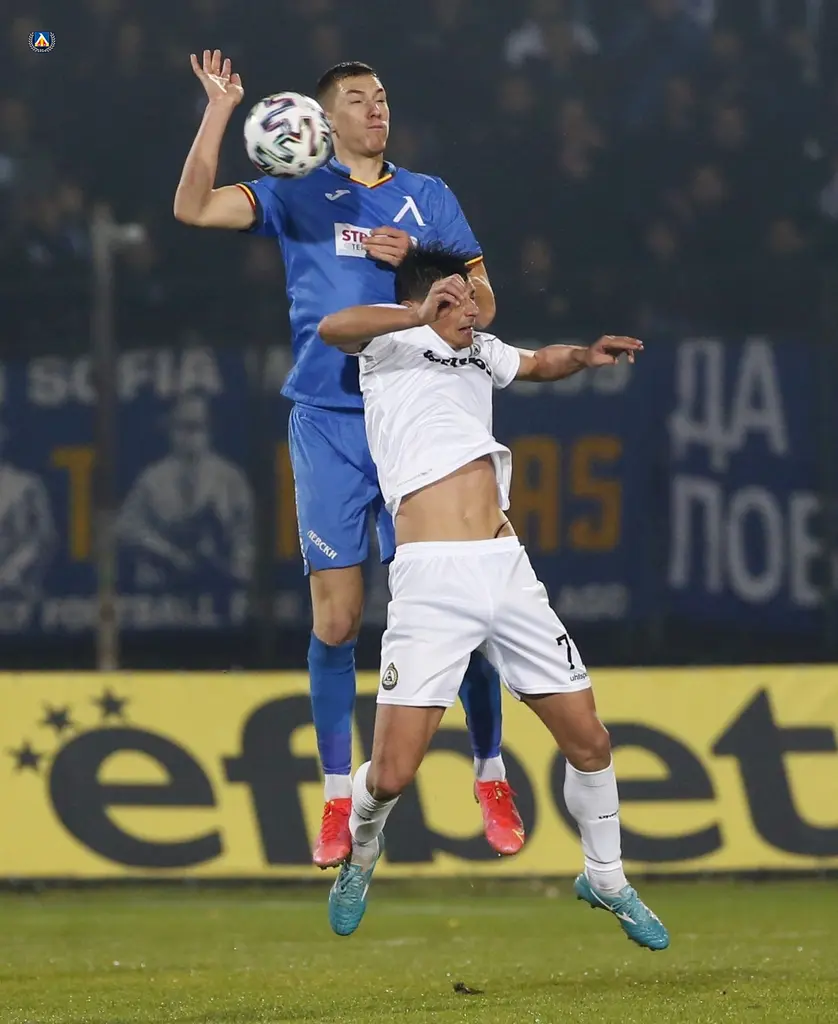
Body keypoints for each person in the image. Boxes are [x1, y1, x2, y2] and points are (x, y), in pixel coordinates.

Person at [173, 52, 524, 866]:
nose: (377, 109)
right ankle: (338, 797)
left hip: (417, 417)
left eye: (383, 97)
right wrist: (220, 110)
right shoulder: (297, 190)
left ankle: (491, 774)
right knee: (335, 620)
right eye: (360, 99)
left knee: (458, 610)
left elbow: (486, 301)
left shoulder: (428, 196)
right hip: (329, 422)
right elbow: (192, 207)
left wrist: (421, 260)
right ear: (324, 120)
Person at [317, 246, 670, 951]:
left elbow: (539, 362)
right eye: (460, 297)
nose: (474, 308)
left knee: (591, 741)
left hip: (505, 570)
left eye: (474, 296)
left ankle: (606, 876)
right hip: (430, 584)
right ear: (428, 301)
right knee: (391, 775)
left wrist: (585, 356)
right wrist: (416, 313)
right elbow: (332, 328)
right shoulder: (389, 346)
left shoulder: (481, 352)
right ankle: (363, 848)